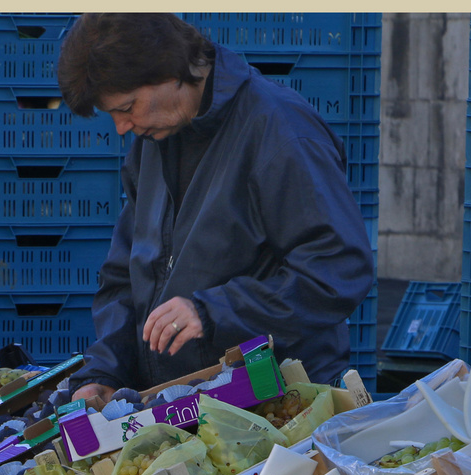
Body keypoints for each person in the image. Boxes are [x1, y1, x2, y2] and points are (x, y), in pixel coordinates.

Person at [57, 14, 375, 404]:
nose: (122, 127)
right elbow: (126, 274)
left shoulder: (279, 130)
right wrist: (105, 369)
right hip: (184, 404)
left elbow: (339, 269)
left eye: (127, 106)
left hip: (279, 401)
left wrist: (213, 312)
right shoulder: (152, 141)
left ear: (169, 71)